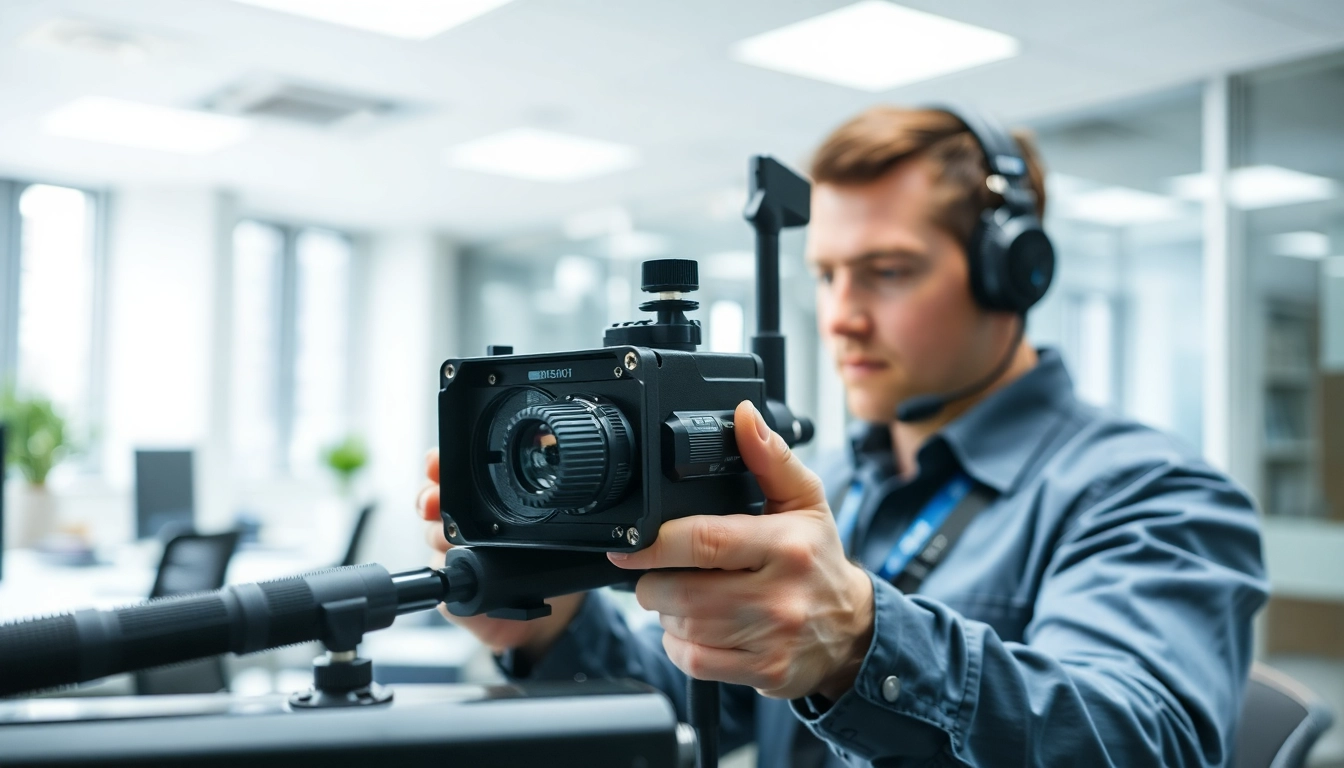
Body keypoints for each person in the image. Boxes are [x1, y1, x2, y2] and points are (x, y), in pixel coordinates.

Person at [417, 106, 1268, 767]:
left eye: (888, 272)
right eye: (826, 274)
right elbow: (698, 693)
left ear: (1013, 273)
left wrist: (863, 643)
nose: (843, 316)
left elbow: (1151, 742)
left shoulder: (1149, 492)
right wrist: (544, 629)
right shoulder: (829, 479)